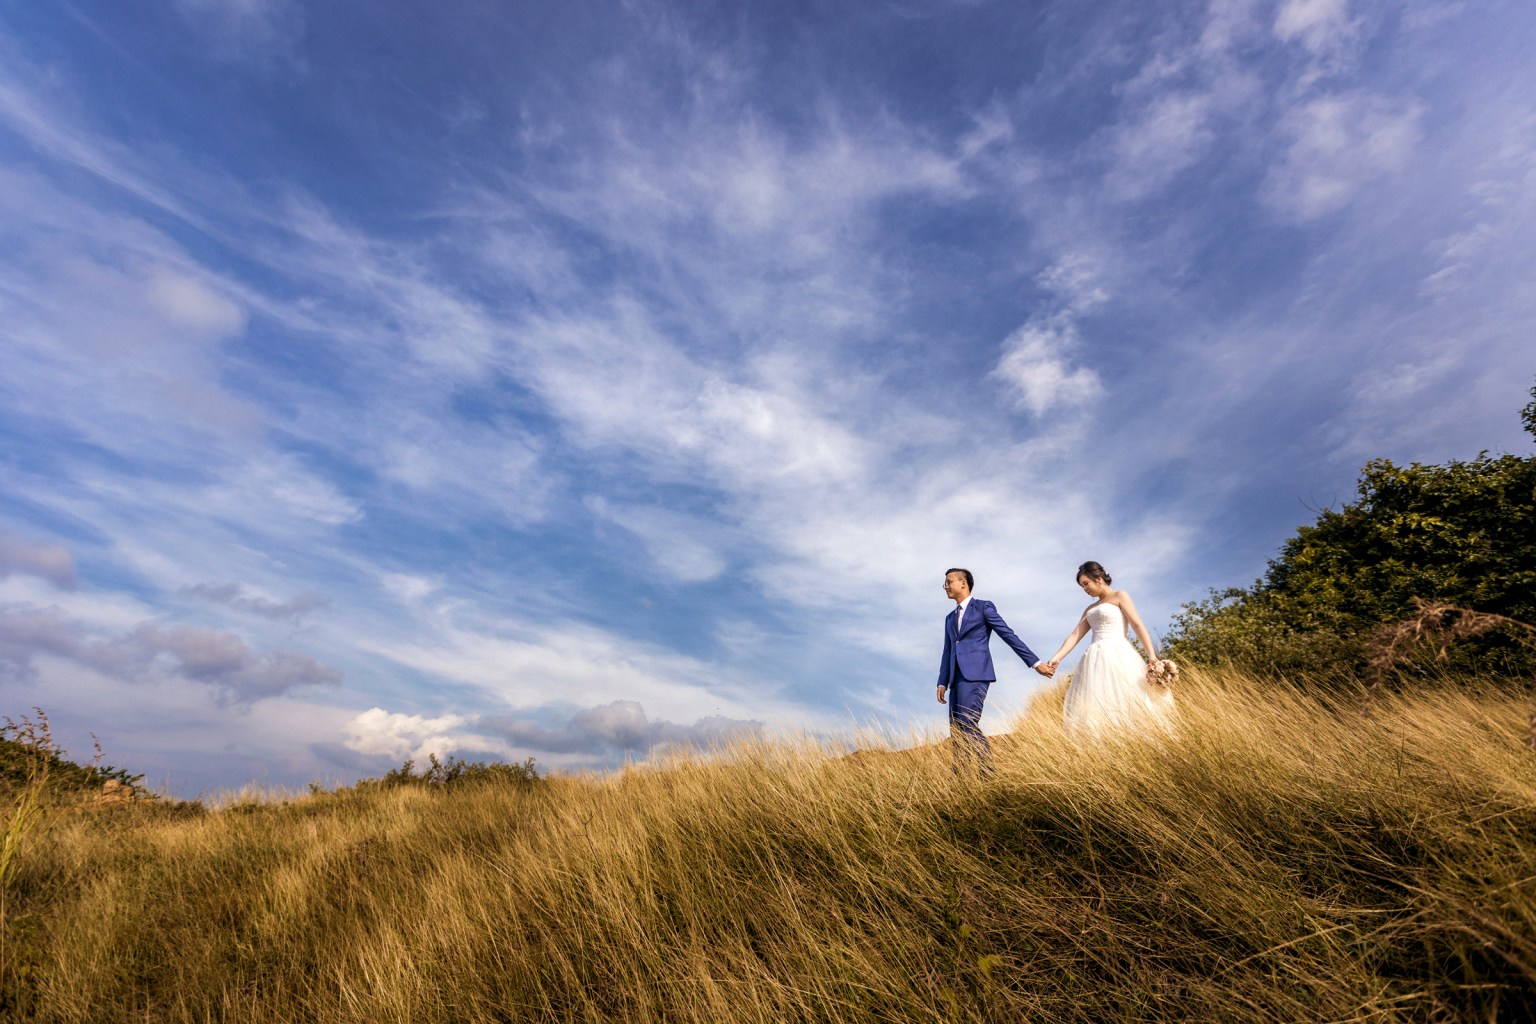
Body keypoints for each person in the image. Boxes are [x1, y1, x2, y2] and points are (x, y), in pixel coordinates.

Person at [937, 567, 1052, 773]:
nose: (945, 586)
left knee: (967, 721)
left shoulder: (983, 607)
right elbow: (948, 650)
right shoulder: (949, 618)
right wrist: (942, 681)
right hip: (955, 678)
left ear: (964, 583)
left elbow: (1008, 634)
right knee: (957, 729)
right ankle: (961, 780)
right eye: (945, 583)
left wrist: (1035, 663)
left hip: (977, 674)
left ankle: (987, 775)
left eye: (949, 581)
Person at [1041, 561, 1176, 734]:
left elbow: (1137, 625)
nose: (1084, 589)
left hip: (1118, 653)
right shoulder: (1090, 608)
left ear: (1098, 579)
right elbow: (1075, 635)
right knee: (1098, 701)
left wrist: (1152, 656)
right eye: (1082, 586)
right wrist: (1057, 657)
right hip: (1094, 658)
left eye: (1085, 584)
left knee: (1127, 696)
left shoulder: (1120, 595)